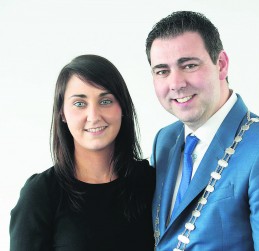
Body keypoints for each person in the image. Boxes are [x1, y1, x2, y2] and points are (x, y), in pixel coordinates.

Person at [145, 11, 259, 251]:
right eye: (162, 71)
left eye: (189, 65)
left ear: (221, 65)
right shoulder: (165, 140)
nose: (176, 83)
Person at [10, 54, 155, 251]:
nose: (93, 116)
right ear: (62, 113)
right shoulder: (41, 194)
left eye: (105, 101)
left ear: (122, 107)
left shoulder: (150, 181)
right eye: (80, 103)